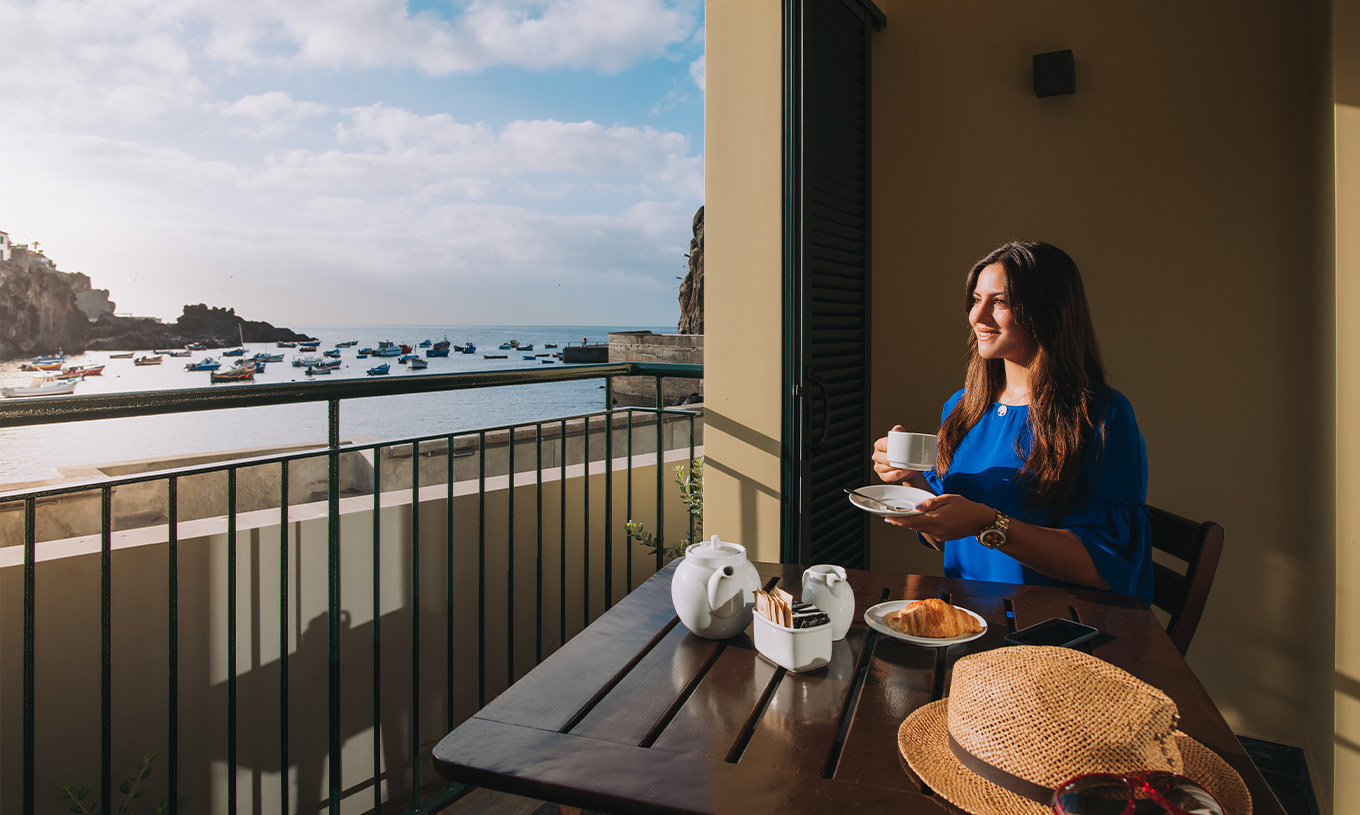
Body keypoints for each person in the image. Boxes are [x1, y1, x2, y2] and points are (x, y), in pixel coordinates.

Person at [871, 240, 1152, 600]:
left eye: (1000, 301)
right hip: (967, 618)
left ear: (1047, 310)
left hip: (1052, 631)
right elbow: (942, 538)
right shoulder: (962, 408)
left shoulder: (1102, 415)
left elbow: (1105, 565)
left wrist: (989, 522)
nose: (978, 315)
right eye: (976, 299)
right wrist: (910, 479)